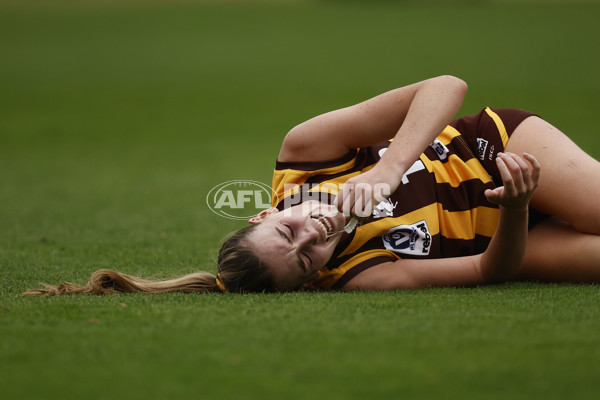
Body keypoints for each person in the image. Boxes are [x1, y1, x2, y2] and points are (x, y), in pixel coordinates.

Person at [24, 76, 600, 296]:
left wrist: (384, 171)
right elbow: (487, 271)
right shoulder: (356, 276)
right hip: (509, 227)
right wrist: (519, 207)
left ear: (263, 214)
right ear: (314, 278)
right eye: (305, 260)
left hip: (493, 149)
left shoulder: (304, 156)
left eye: (290, 231)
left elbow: (445, 86)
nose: (313, 236)